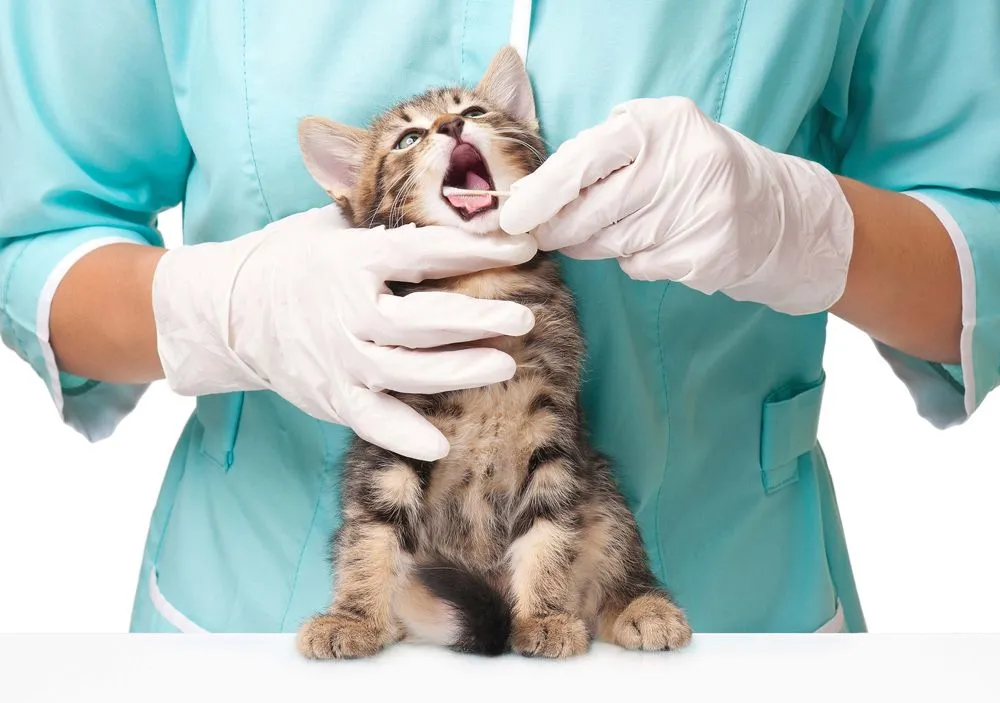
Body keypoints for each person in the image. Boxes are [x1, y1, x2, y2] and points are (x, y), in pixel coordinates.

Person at [1, 0, 997, 636]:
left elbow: (979, 254)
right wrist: (214, 310)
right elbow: (31, 239)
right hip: (255, 621)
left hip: (724, 621)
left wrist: (806, 227)